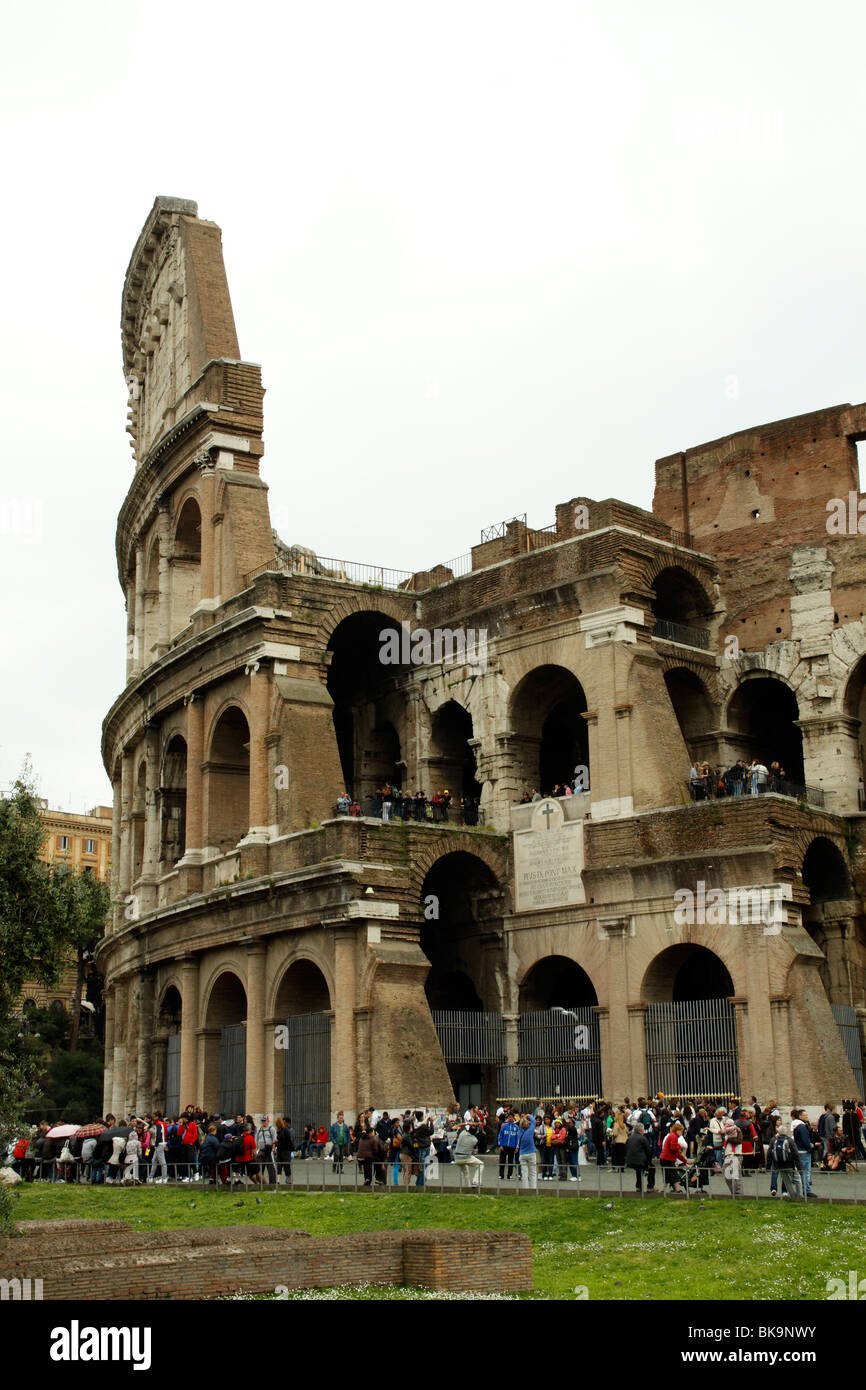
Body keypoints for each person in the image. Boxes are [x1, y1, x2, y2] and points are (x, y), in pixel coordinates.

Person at [625, 1122, 655, 1192]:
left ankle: (638, 1186)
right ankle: (650, 1186)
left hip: (630, 1160)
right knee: (652, 1168)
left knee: (638, 1170)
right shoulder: (643, 1138)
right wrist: (649, 1162)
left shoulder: (629, 1138)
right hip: (640, 1161)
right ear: (641, 1131)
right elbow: (648, 1151)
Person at [452, 1123, 484, 1189]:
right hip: (466, 1158)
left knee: (465, 1172)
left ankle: (467, 1187)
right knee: (481, 1164)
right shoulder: (475, 1140)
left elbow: (458, 1126)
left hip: (457, 1158)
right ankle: (475, 1182)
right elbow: (474, 1150)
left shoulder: (462, 1133)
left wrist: (467, 1123)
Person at [517, 1113, 538, 1190]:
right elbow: (534, 1121)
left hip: (522, 1154)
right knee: (532, 1172)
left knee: (524, 1173)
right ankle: (533, 1188)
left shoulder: (519, 1133)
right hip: (531, 1153)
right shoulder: (530, 1130)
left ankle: (525, 1189)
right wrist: (528, 1115)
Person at [256, 1116, 278, 1187]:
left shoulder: (271, 1129)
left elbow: (274, 1139)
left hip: (269, 1150)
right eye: (262, 1121)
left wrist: (273, 1149)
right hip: (260, 1150)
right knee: (259, 1167)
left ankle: (273, 1183)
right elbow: (256, 1139)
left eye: (265, 1121)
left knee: (271, 1167)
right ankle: (260, 1182)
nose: (263, 1122)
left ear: (268, 1121)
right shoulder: (259, 1129)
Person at [497, 1113, 520, 1180]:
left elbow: (517, 1138)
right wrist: (500, 1145)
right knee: (502, 1160)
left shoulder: (516, 1127)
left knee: (511, 1161)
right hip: (504, 1146)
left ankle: (509, 1175)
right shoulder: (504, 1126)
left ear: (513, 1118)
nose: (510, 1119)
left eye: (511, 1117)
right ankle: (501, 1175)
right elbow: (500, 1136)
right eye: (509, 1117)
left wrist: (517, 1147)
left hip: (512, 1146)